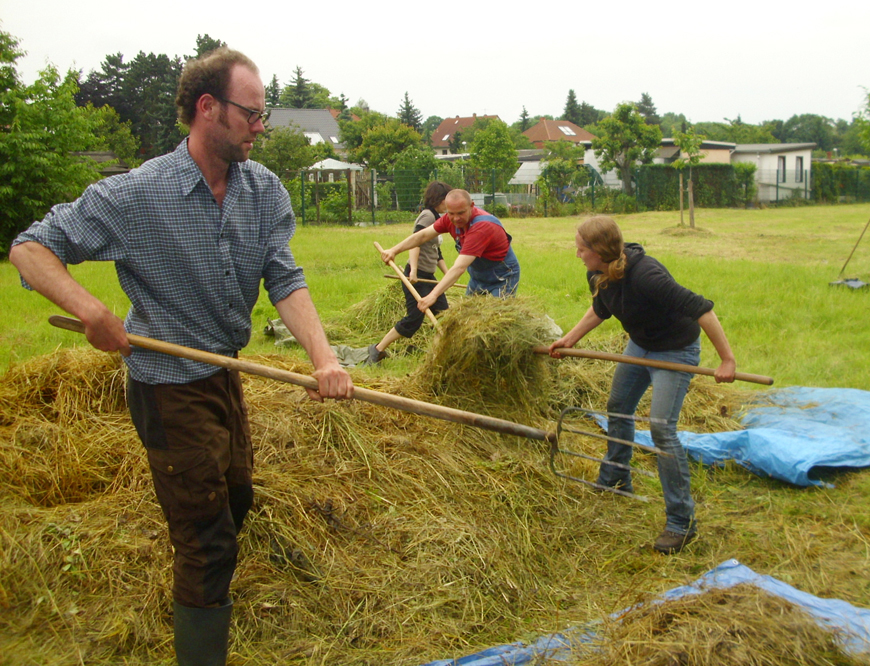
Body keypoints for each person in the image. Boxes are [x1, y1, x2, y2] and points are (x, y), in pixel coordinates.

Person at [9, 48, 353, 666]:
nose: (261, 125)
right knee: (206, 536)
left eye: (263, 113)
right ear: (207, 108)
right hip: (168, 385)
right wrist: (91, 310)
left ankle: (205, 600)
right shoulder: (140, 194)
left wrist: (324, 360)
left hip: (226, 371)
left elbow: (285, 278)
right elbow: (30, 248)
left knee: (239, 497)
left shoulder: (263, 191)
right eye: (251, 112)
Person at [547, 216, 736, 555]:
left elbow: (702, 310)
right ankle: (617, 477)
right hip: (640, 345)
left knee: (662, 429)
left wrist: (727, 361)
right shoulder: (598, 272)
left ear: (599, 250)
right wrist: (569, 340)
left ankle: (681, 522)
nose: (577, 255)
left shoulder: (647, 276)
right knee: (618, 407)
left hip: (675, 350)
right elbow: (600, 309)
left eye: (581, 249)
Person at [379, 189, 519, 309]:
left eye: (461, 213)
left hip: (502, 276)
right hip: (478, 277)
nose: (456, 218)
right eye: (451, 213)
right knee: (467, 317)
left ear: (471, 206)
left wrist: (433, 295)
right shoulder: (449, 219)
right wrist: (394, 250)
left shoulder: (482, 227)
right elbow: (421, 236)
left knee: (494, 320)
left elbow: (459, 268)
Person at [367, 181, 452, 365]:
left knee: (444, 317)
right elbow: (416, 242)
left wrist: (448, 274)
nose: (450, 203)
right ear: (438, 199)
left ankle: (436, 359)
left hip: (428, 277)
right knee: (414, 319)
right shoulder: (428, 216)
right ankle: (377, 350)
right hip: (416, 277)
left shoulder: (438, 218)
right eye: (447, 199)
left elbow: (436, 252)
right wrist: (413, 270)